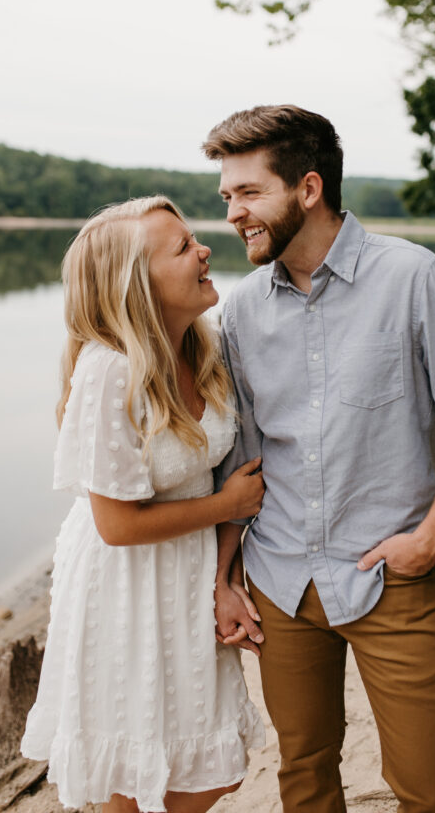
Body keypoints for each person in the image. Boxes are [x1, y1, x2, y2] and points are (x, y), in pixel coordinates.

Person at [202, 106, 435, 813]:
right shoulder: (242, 311)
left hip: (389, 574)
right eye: (227, 196)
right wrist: (223, 578)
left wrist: (428, 539)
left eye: (247, 193)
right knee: (303, 772)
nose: (232, 213)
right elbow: (240, 461)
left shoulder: (415, 278)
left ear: (307, 189)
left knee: (430, 787)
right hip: (279, 579)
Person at [21, 196, 265, 813]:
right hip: (124, 583)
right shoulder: (111, 372)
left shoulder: (200, 349)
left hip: (185, 573)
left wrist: (223, 578)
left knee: (210, 771)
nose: (205, 248)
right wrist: (228, 505)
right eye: (183, 248)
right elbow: (118, 525)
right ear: (138, 285)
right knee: (131, 779)